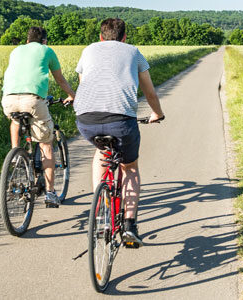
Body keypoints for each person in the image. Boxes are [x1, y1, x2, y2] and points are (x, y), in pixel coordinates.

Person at [73, 18, 165, 247]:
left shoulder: (88, 50)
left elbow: (84, 82)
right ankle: (129, 225)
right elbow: (149, 92)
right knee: (129, 167)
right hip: (121, 121)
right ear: (124, 37)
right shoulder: (133, 52)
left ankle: (102, 210)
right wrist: (158, 113)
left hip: (86, 119)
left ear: (101, 37)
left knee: (101, 153)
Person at [1, 26, 76, 207]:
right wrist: (73, 95)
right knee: (45, 143)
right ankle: (50, 193)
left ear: (27, 40)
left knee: (15, 119)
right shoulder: (47, 50)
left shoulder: (16, 50)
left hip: (8, 100)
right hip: (33, 100)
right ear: (44, 40)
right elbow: (60, 80)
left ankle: (16, 154)